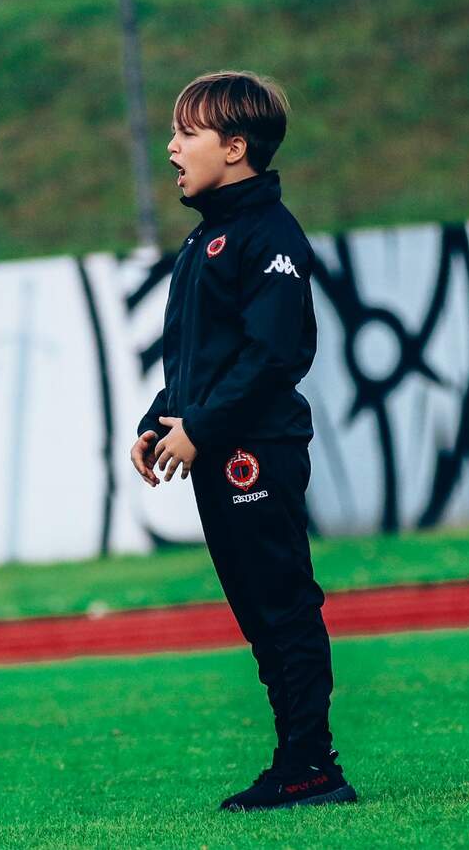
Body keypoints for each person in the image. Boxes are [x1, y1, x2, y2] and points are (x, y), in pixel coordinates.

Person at [129, 70, 355, 812]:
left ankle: (312, 766)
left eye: (185, 133)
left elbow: (273, 357)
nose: (171, 147)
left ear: (234, 147)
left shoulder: (269, 236)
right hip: (222, 448)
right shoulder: (207, 240)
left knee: (282, 604)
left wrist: (202, 427)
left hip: (256, 450)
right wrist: (161, 417)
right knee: (260, 614)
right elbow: (205, 358)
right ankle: (296, 760)